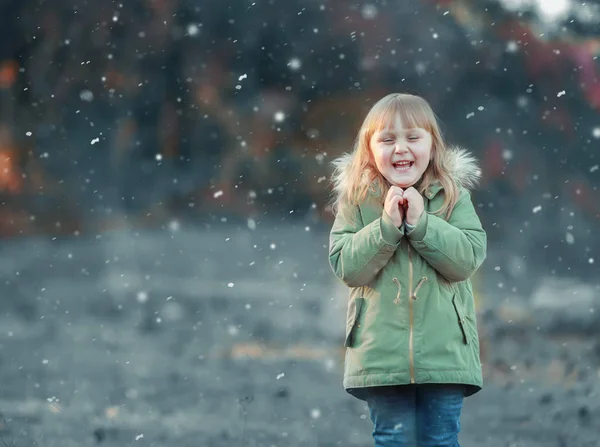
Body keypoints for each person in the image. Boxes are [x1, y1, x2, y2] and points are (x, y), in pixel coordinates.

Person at [328, 93, 487, 446]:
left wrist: (422, 223)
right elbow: (347, 266)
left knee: (440, 439)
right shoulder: (358, 200)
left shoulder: (452, 195)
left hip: (444, 353)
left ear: (433, 146)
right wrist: (385, 225)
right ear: (370, 149)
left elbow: (467, 259)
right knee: (393, 440)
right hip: (381, 355)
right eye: (387, 139)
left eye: (413, 137)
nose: (401, 148)